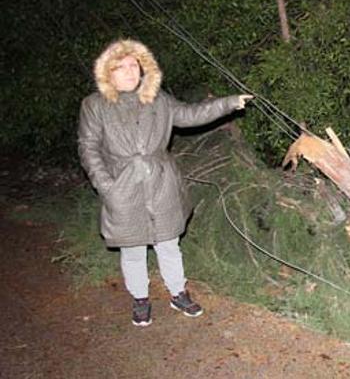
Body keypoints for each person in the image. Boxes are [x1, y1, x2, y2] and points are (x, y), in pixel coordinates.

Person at [78, 38, 253, 327]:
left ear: (142, 68)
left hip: (161, 183)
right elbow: (88, 148)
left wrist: (229, 103)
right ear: (108, 73)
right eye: (120, 67)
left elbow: (191, 115)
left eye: (134, 65)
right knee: (132, 248)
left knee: (168, 242)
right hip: (123, 185)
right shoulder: (94, 105)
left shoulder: (158, 99)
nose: (129, 72)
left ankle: (178, 293)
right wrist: (107, 187)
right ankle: (140, 299)